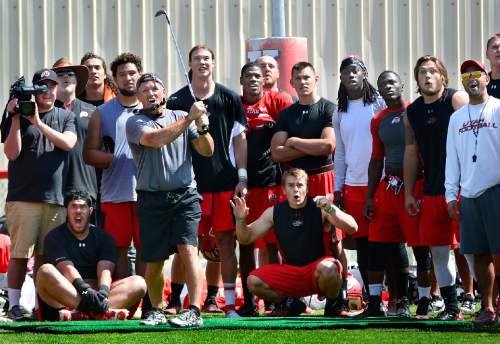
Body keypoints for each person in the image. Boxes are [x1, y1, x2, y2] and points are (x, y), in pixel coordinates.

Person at [126, 73, 213, 327]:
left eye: (155, 88)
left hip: (185, 196)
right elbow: (155, 140)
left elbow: (207, 150)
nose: (151, 93)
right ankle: (155, 310)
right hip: (152, 199)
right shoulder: (135, 122)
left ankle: (195, 311)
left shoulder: (178, 116)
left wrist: (203, 125)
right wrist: (190, 118)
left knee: (188, 251)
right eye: (145, 90)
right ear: (139, 97)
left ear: (163, 93)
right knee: (154, 260)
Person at [167, 45, 247, 317]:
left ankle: (229, 304)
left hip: (224, 181)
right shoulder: (177, 99)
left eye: (207, 58)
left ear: (213, 63)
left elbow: (239, 139)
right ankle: (176, 299)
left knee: (225, 242)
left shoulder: (229, 97)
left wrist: (242, 177)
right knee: (185, 245)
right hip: (190, 184)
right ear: (189, 63)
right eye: (197, 58)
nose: (202, 63)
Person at [2, 68, 77, 320]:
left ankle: (42, 307)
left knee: (46, 258)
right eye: (42, 86)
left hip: (54, 199)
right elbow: (11, 153)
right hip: (22, 196)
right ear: (33, 90)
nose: (47, 91)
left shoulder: (65, 115)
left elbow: (68, 143)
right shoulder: (18, 114)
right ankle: (14, 305)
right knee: (21, 254)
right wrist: (14, 117)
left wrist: (38, 123)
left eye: (51, 86)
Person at [231, 168, 357, 316]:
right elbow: (246, 237)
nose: (296, 190)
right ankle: (291, 303)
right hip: (291, 274)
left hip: (318, 271)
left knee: (330, 268)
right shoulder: (274, 212)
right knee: (252, 281)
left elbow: (353, 227)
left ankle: (334, 305)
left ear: (307, 188)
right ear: (284, 190)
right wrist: (240, 219)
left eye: (300, 185)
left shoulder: (320, 206)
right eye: (291, 185)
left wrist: (330, 209)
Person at [270, 61, 341, 315]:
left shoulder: (327, 109)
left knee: (333, 237)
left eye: (307, 77)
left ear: (317, 78)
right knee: (291, 237)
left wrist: (296, 141)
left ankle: (337, 297)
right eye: (297, 78)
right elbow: (276, 153)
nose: (302, 82)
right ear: (291, 82)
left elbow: (327, 147)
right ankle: (294, 298)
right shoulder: (287, 114)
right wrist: (306, 146)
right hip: (296, 181)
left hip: (322, 179)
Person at [404, 55, 469, 320]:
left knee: (475, 250)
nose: (428, 76)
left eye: (433, 71)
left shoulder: (457, 100)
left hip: (465, 188)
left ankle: (490, 304)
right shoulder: (412, 112)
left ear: (443, 76)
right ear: (417, 79)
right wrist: (409, 192)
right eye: (422, 72)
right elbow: (411, 152)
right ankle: (451, 308)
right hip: (432, 190)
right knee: (439, 252)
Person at [363, 71, 432, 318]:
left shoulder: (417, 110)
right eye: (382, 84)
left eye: (391, 82)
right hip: (388, 186)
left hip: (415, 186)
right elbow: (375, 160)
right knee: (378, 244)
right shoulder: (378, 119)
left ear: (402, 85)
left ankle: (424, 301)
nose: (387, 87)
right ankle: (377, 302)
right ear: (378, 91)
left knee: (421, 246)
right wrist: (370, 197)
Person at [445, 59, 500, 325]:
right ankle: (486, 307)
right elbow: (451, 159)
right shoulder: (456, 118)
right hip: (468, 194)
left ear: (487, 78)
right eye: (466, 75)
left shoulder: (499, 109)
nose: (471, 78)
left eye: (476, 73)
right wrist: (450, 195)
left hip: (496, 188)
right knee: (478, 253)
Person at [36, 191, 146, 321]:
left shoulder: (104, 237)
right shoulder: (54, 237)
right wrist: (84, 290)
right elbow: (66, 268)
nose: (78, 211)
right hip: (66, 298)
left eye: (83, 207)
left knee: (139, 283)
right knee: (45, 271)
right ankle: (98, 313)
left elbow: (105, 270)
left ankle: (82, 314)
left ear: (90, 211)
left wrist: (104, 292)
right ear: (66, 211)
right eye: (74, 206)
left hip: (97, 295)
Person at [238, 62, 293, 316]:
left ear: (264, 80)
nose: (253, 79)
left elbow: (293, 128)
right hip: (243, 185)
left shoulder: (277, 102)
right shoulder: (234, 104)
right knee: (245, 242)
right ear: (241, 80)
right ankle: (249, 301)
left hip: (271, 182)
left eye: (257, 76)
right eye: (248, 75)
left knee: (273, 244)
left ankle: (275, 298)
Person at [83, 53, 145, 281]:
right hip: (114, 192)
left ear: (140, 75)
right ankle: (123, 301)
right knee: (118, 248)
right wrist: (114, 158)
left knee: (145, 248)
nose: (128, 78)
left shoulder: (152, 107)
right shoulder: (102, 112)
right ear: (115, 79)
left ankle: (147, 303)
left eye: (132, 73)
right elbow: (88, 154)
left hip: (147, 191)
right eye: (122, 74)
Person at [332, 56, 385, 300]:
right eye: (346, 72)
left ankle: (398, 298)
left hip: (381, 183)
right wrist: (338, 188)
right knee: (363, 244)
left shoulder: (378, 103)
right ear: (341, 77)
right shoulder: (339, 111)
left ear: (364, 74)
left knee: (387, 243)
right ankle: (372, 297)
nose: (351, 75)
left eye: (356, 71)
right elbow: (340, 153)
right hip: (353, 186)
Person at [52, 57, 99, 224]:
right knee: (52, 246)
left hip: (86, 188)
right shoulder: (43, 113)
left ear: (77, 80)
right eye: (60, 74)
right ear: (52, 82)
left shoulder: (94, 111)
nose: (66, 77)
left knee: (87, 245)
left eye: (70, 73)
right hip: (52, 192)